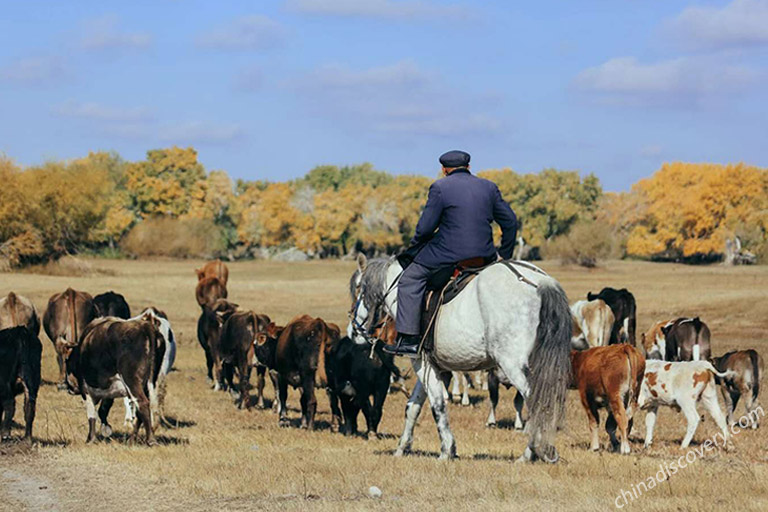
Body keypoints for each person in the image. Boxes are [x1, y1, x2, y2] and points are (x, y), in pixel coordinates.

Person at [384, 150, 518, 356]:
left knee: (410, 279)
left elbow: (426, 228)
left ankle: (409, 340)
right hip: (484, 255)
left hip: (447, 254)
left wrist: (416, 246)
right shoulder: (489, 187)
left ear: (444, 169)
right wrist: (504, 254)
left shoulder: (440, 187)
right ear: (469, 167)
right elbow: (510, 222)